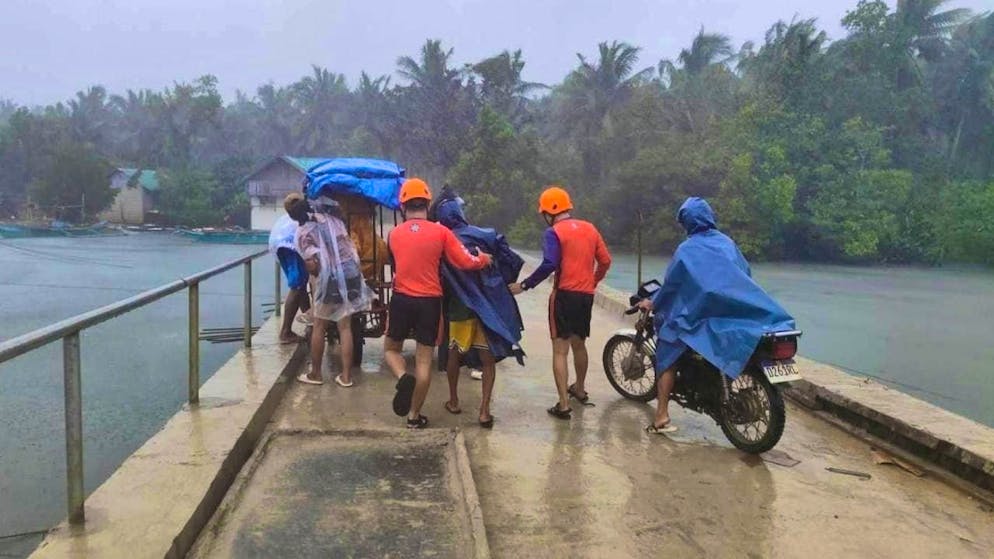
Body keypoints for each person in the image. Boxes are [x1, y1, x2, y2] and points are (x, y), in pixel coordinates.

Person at [638, 197, 795, 434]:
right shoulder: (728, 244)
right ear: (709, 216)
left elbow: (671, 286)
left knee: (667, 351)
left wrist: (654, 303)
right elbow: (745, 274)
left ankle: (661, 415)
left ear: (687, 223)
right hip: (734, 313)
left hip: (700, 317)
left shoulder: (686, 250)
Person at [384, 178, 492, 429]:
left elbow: (395, 263)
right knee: (424, 361)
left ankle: (402, 377)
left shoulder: (393, 234)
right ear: (428, 204)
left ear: (403, 206)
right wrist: (483, 260)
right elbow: (465, 262)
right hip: (429, 303)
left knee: (391, 350)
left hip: (401, 299)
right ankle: (414, 416)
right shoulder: (441, 232)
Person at [509, 186, 611, 419]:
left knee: (560, 351)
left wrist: (524, 285)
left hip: (563, 295)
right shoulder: (590, 228)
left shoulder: (553, 232)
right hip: (585, 297)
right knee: (579, 344)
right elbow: (605, 261)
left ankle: (563, 404)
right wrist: (592, 282)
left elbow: (549, 264)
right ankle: (580, 388)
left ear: (549, 212)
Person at [432, 187, 526, 429]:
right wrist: (499, 281)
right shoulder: (485, 235)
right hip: (487, 309)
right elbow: (511, 260)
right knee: (487, 360)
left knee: (454, 354)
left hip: (459, 309)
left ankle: (453, 401)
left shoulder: (442, 240)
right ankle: (484, 411)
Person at [289, 195, 374, 388]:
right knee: (345, 326)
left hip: (331, 279)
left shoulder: (303, 233)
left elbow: (313, 266)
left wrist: (319, 274)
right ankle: (346, 377)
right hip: (351, 274)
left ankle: (316, 374)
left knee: (320, 325)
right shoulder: (333, 220)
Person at [269, 193, 311, 343]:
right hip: (290, 248)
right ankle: (285, 331)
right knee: (298, 285)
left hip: (282, 247)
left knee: (301, 284)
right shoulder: (298, 219)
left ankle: (309, 319)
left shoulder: (287, 219)